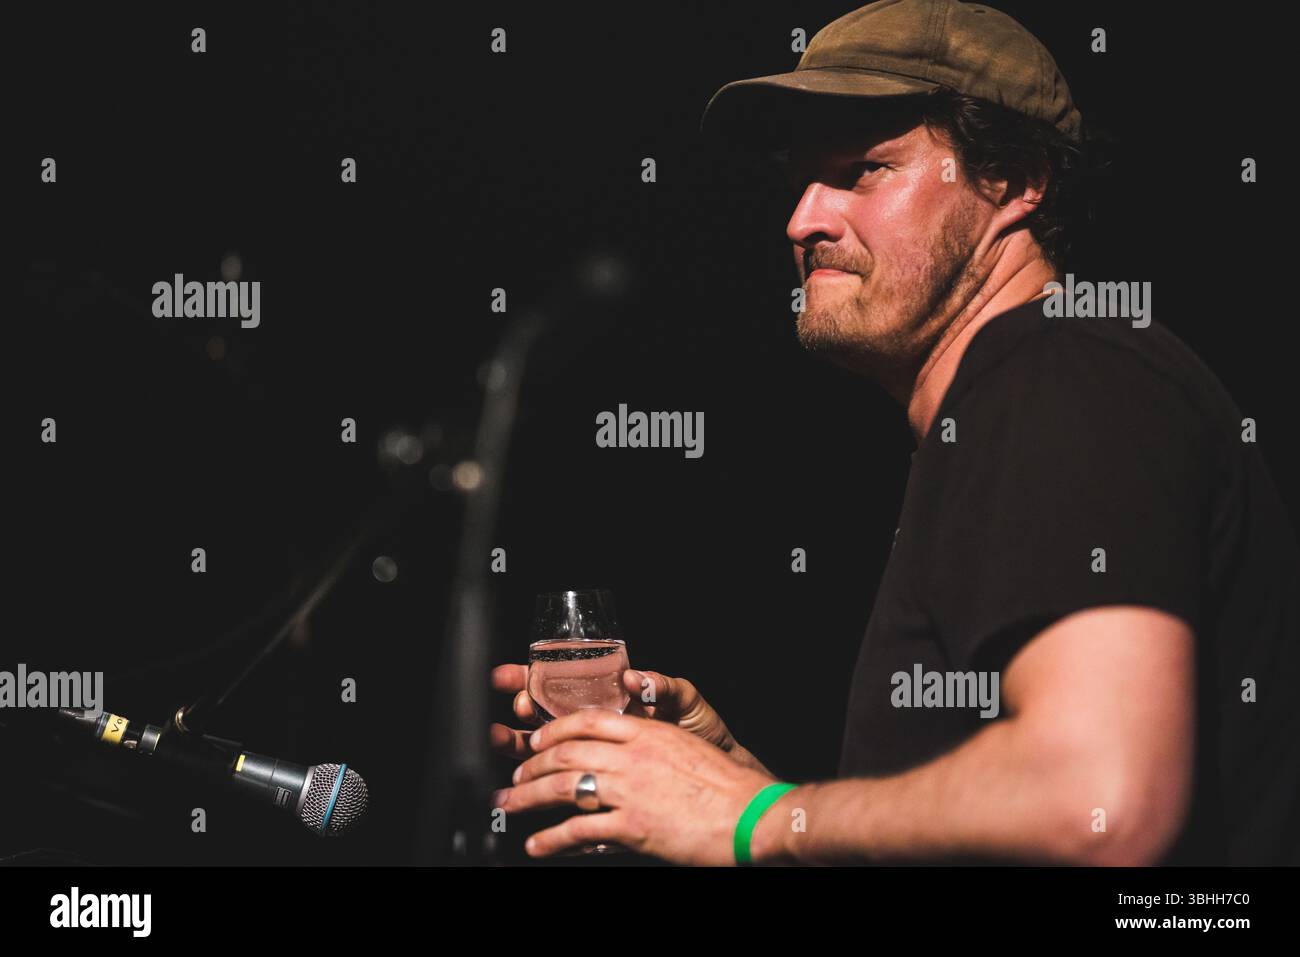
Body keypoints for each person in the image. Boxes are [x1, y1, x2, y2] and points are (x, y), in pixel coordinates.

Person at [488, 0, 1300, 865]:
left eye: (866, 170)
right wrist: (726, 777)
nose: (804, 219)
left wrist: (756, 816)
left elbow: (1100, 801)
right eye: (802, 180)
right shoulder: (1017, 401)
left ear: (1014, 180)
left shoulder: (1062, 373)